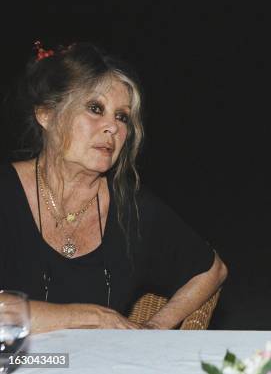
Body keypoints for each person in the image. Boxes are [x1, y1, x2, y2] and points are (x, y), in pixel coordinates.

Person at [0, 41, 228, 333]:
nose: (113, 128)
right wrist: (94, 317)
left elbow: (212, 270)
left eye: (122, 117)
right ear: (46, 115)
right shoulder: (6, 195)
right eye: (95, 108)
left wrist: (155, 327)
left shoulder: (129, 208)